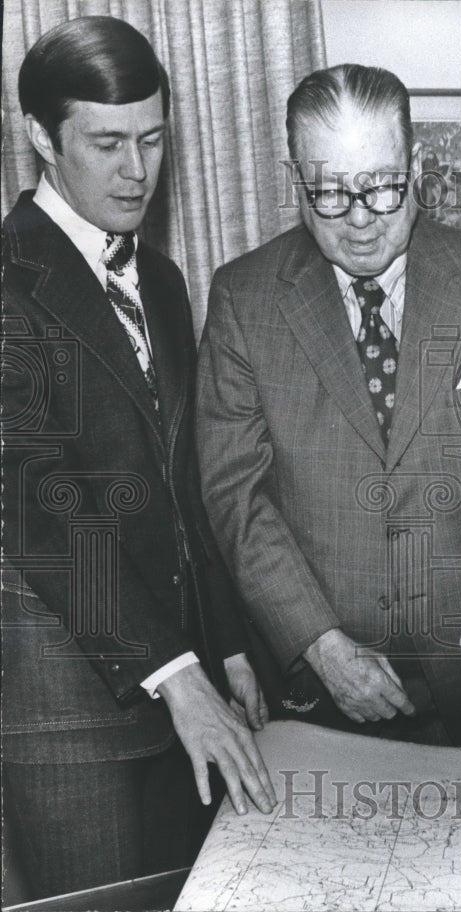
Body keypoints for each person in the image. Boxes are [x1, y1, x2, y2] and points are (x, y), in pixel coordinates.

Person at [196, 64, 461, 748]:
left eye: (383, 186)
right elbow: (236, 498)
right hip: (325, 691)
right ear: (296, 182)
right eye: (333, 194)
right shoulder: (243, 301)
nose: (363, 220)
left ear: (417, 164)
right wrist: (318, 643)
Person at [1, 16, 276, 900]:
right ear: (41, 138)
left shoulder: (161, 278)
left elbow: (184, 480)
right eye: (108, 142)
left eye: (154, 140)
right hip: (68, 711)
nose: (137, 171)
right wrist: (174, 672)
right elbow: (35, 499)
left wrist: (226, 647)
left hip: (187, 691)